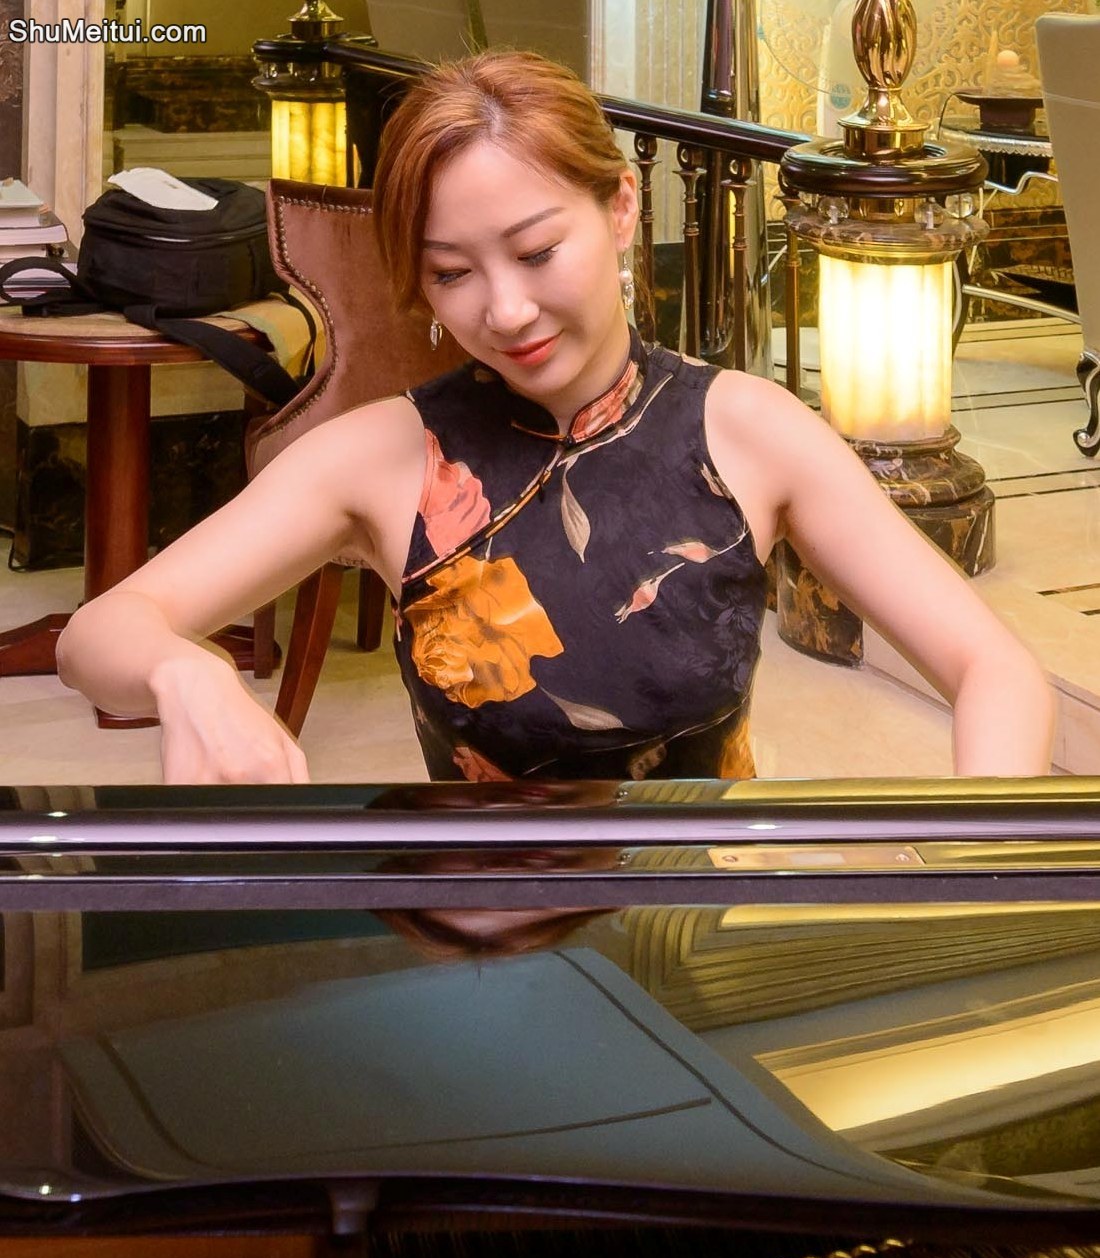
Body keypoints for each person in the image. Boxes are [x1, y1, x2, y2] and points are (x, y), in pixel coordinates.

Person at [56, 49, 1054, 785]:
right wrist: (186, 675)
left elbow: (994, 670)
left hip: (696, 946)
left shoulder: (748, 432)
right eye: (452, 273)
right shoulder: (383, 456)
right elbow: (97, 636)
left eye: (536, 252)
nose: (505, 310)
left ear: (619, 208)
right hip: (487, 951)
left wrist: (974, 862)